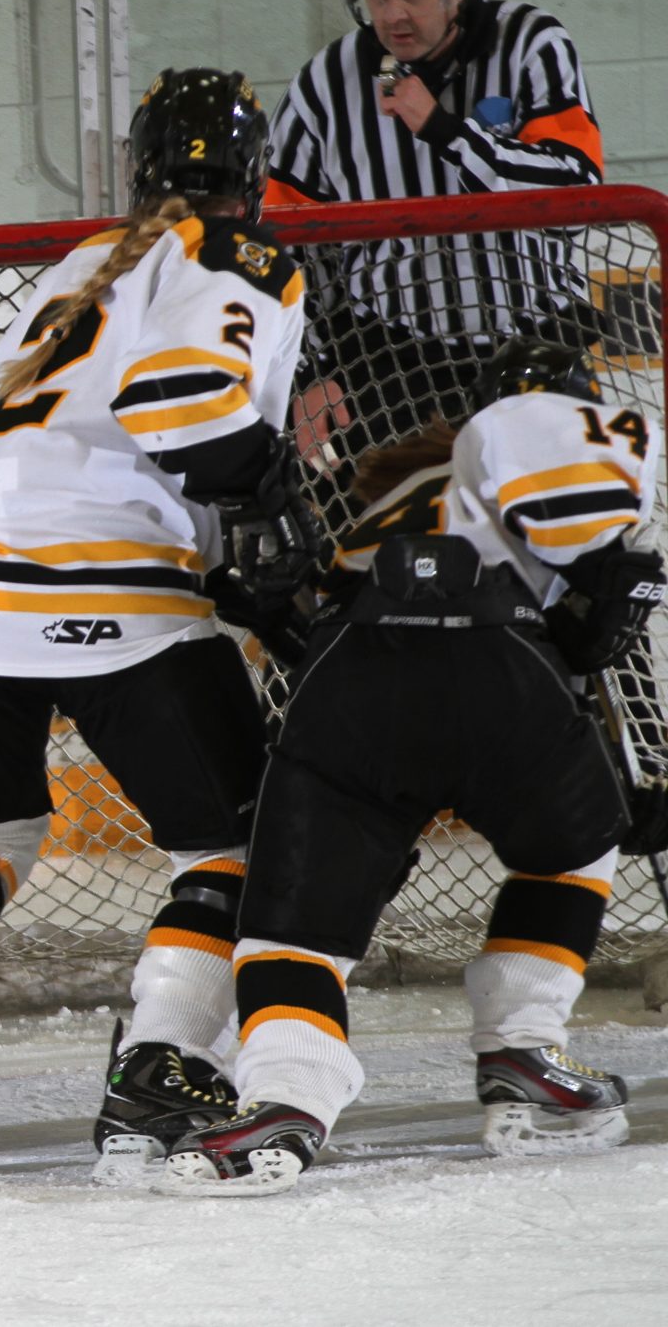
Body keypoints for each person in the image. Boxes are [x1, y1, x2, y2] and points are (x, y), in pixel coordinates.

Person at [0, 69, 321, 1179]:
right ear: (253, 174)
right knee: (239, 848)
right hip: (107, 589)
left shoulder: (79, 264)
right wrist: (263, 497)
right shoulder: (237, 258)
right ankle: (160, 1061)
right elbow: (179, 398)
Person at [164, 340, 652, 1194]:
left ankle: (283, 1098)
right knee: (577, 847)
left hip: (349, 681)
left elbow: (297, 608)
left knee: (293, 929)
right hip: (501, 671)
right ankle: (522, 1049)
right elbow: (597, 614)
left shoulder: (396, 488)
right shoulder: (578, 441)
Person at [271, 0, 605, 467]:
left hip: (534, 347)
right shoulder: (323, 86)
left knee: (568, 527)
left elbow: (577, 192)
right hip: (391, 367)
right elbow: (282, 248)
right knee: (381, 536)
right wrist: (308, 373)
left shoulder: (530, 43)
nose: (392, 15)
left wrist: (446, 131)